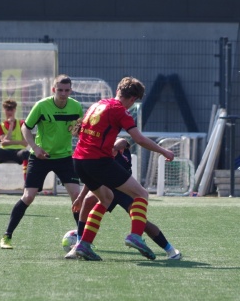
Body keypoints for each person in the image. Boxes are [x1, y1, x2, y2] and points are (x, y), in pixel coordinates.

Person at [72, 76, 175, 261]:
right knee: (141, 194)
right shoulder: (120, 110)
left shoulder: (98, 104)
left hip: (79, 160)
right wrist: (163, 151)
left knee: (106, 198)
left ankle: (84, 244)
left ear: (118, 90)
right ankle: (135, 236)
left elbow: (83, 131)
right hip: (99, 162)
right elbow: (140, 139)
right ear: (133, 99)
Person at [0, 74, 83, 249]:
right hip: (40, 157)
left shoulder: (76, 107)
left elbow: (77, 130)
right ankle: (6, 236)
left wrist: (76, 132)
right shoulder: (42, 106)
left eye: (67, 90)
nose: (63, 93)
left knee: (77, 196)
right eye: (60, 90)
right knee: (28, 196)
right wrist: (35, 148)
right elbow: (26, 128)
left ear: (71, 90)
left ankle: (83, 240)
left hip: (65, 157)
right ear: (54, 90)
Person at [67, 138, 182, 260]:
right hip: (106, 188)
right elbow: (91, 177)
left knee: (142, 222)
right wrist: (80, 196)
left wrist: (114, 147)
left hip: (124, 189)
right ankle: (79, 244)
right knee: (87, 202)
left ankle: (170, 250)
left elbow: (123, 141)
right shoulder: (97, 150)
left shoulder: (118, 144)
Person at [0, 99, 29, 194]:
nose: (9, 111)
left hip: (18, 152)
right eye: (7, 109)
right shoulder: (0, 126)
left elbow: (25, 143)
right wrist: (10, 126)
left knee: (26, 153)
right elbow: (4, 143)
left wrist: (10, 141)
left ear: (15, 110)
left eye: (11, 109)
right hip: (5, 152)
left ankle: (27, 185)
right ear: (4, 110)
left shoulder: (21, 123)